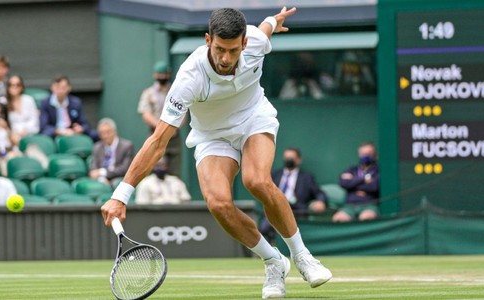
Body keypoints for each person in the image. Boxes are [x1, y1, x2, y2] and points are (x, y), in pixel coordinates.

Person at [101, 7, 332, 299]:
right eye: (220, 49)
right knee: (218, 203)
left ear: (244, 43)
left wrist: (275, 20)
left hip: (253, 119)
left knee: (256, 180)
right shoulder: (188, 78)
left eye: (233, 50)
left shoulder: (256, 42)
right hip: (212, 136)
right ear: (208, 39)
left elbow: (265, 27)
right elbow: (158, 141)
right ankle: (274, 261)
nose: (225, 58)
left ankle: (302, 256)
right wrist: (121, 194)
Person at [259, 147, 327, 244]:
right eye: (286, 158)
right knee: (265, 226)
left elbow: (319, 193)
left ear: (299, 160)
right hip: (276, 209)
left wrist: (321, 201)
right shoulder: (275, 175)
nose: (289, 160)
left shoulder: (306, 177)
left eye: (292, 158)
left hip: (297, 211)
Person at [137, 61, 182, 177]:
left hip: (173, 136)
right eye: (159, 74)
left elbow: (183, 112)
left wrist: (173, 127)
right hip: (155, 133)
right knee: (151, 168)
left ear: (169, 75)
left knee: (175, 172)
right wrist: (161, 127)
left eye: (164, 74)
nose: (162, 77)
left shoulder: (176, 91)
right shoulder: (149, 93)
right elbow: (145, 113)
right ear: (155, 75)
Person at [332, 142, 380, 223]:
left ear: (375, 155)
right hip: (350, 205)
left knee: (366, 218)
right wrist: (364, 180)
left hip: (369, 204)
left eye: (369, 153)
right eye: (363, 153)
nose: (366, 156)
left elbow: (374, 187)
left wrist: (353, 184)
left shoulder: (378, 170)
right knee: (338, 219)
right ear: (359, 154)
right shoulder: (352, 169)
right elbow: (343, 183)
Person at [39, 75, 97, 141]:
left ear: (69, 88)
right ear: (52, 87)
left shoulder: (75, 102)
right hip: (54, 133)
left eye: (63, 87)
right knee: (45, 136)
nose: (60, 90)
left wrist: (80, 128)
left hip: (72, 132)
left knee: (95, 134)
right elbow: (44, 126)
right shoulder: (45, 103)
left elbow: (85, 124)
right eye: (57, 87)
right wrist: (58, 131)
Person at [89, 118, 134, 185]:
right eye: (102, 133)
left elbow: (125, 169)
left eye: (108, 132)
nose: (105, 136)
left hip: (119, 179)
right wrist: (102, 178)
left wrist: (103, 172)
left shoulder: (127, 146)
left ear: (115, 131)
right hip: (101, 180)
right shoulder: (97, 147)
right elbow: (94, 169)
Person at [1, 75, 40, 145]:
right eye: (11, 85)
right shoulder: (3, 102)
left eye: (18, 85)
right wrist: (12, 133)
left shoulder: (29, 100)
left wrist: (26, 130)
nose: (15, 87)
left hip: (28, 133)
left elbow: (34, 120)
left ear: (22, 86)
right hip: (10, 137)